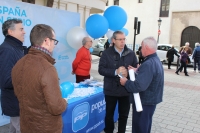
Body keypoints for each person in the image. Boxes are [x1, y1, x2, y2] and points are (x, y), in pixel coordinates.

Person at [11, 24, 67, 133]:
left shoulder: (19, 64)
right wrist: (64, 101)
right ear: (47, 41)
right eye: (54, 41)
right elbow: (56, 107)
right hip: (46, 128)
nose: (54, 45)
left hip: (26, 125)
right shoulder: (47, 68)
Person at [119, 37, 164, 133]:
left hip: (143, 102)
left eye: (142, 47)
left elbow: (139, 86)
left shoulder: (148, 63)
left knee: (140, 127)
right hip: (150, 101)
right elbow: (150, 77)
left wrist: (125, 82)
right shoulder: (155, 60)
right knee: (145, 126)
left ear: (146, 47)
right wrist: (137, 71)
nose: (140, 49)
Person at [98, 31, 138, 133]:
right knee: (109, 115)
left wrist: (128, 73)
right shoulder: (106, 53)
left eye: (124, 39)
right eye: (120, 39)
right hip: (110, 90)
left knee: (124, 115)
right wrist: (115, 72)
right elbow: (101, 70)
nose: (122, 42)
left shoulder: (131, 53)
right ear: (113, 40)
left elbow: (136, 70)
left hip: (125, 90)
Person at [0, 19, 27, 133]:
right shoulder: (7, 49)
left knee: (14, 129)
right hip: (15, 102)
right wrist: (28, 78)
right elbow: (6, 81)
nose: (24, 32)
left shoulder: (16, 48)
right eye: (21, 29)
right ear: (10, 31)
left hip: (18, 102)